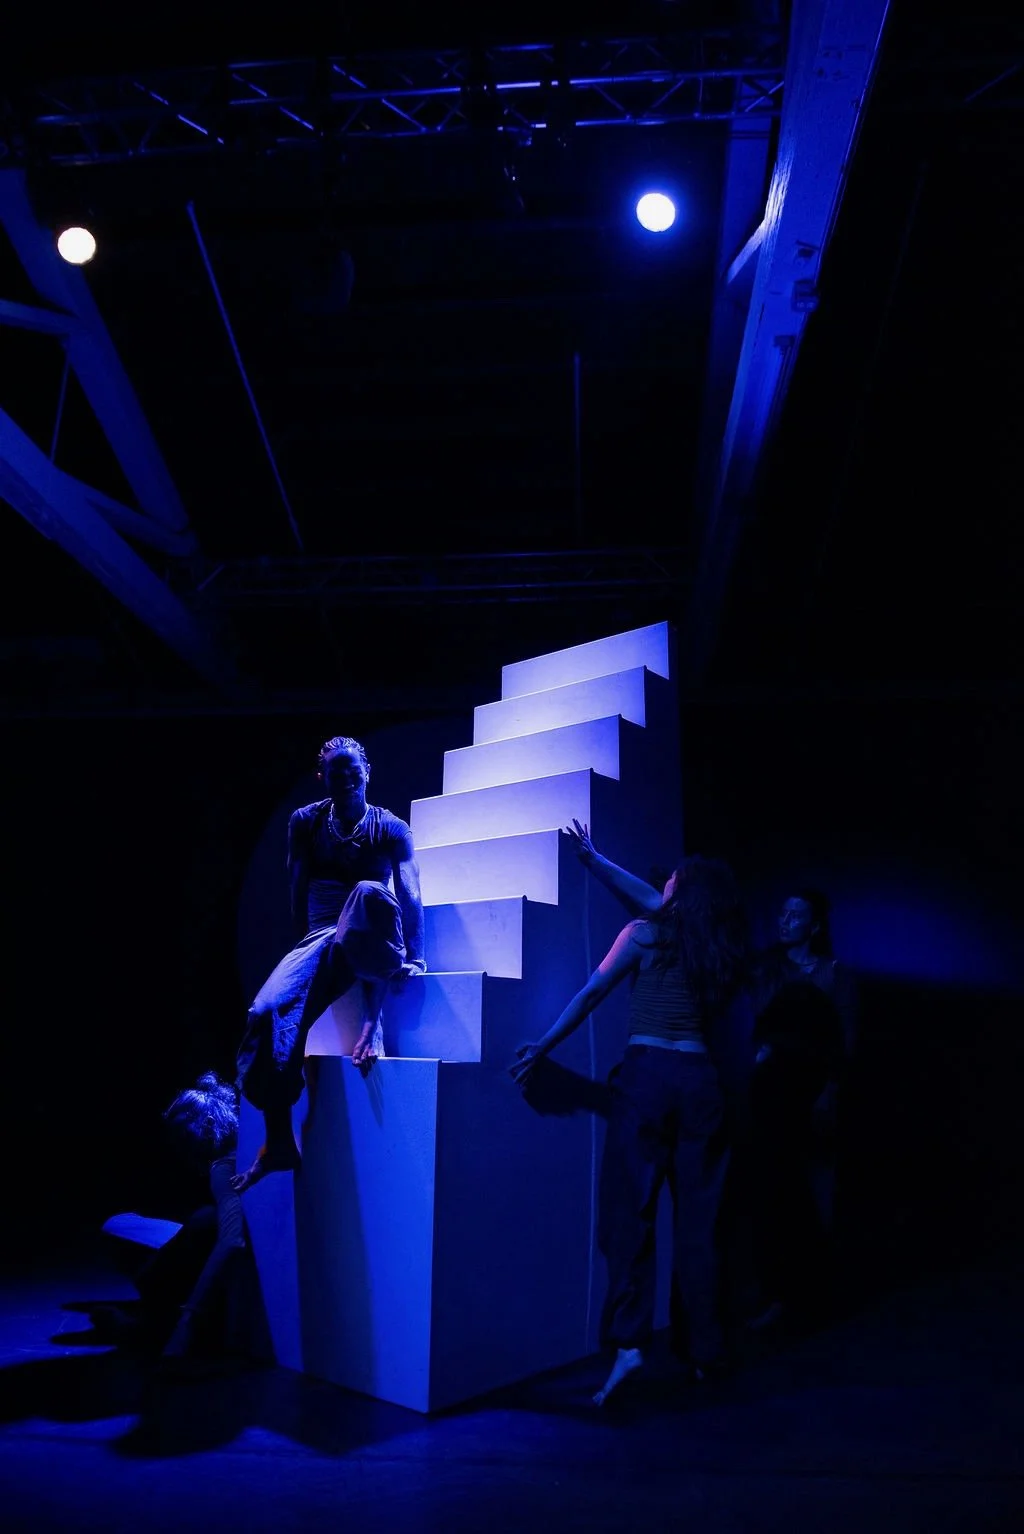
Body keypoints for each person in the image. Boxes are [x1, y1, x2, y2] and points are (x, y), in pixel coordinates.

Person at [510, 841, 748, 1407]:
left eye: (671, 881)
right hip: (702, 1083)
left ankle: (629, 1345)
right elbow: (655, 898)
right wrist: (595, 862)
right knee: (700, 1225)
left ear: (679, 894)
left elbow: (593, 993)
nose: (659, 884)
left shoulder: (644, 934)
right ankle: (704, 1354)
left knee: (629, 1217)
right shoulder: (717, 947)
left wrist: (542, 1045)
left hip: (649, 1078)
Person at [233, 735, 426, 1193]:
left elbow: (410, 891)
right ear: (323, 777)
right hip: (322, 937)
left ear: (367, 771)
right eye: (335, 771)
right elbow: (297, 887)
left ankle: (371, 1022)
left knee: (369, 892)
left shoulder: (391, 827)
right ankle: (278, 1140)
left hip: (370, 930)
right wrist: (302, 957)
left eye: (352, 769)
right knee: (264, 1013)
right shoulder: (306, 822)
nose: (345, 777)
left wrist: (416, 955)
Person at [744, 888, 857, 1333]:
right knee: (774, 1193)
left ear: (815, 924)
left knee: (816, 1190)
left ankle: (815, 1296)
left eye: (796, 915)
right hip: (773, 1096)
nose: (785, 921)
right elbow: (760, 1027)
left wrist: (830, 1090)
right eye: (782, 912)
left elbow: (845, 1039)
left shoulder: (833, 973)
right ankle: (778, 1295)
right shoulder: (766, 969)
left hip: (812, 1097)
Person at [90, 1073, 247, 1366]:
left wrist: (188, 1319)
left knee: (124, 1232)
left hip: (206, 1280)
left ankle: (144, 1325)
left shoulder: (223, 1166)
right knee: (125, 1223)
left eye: (181, 1143)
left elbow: (232, 1240)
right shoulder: (247, 1136)